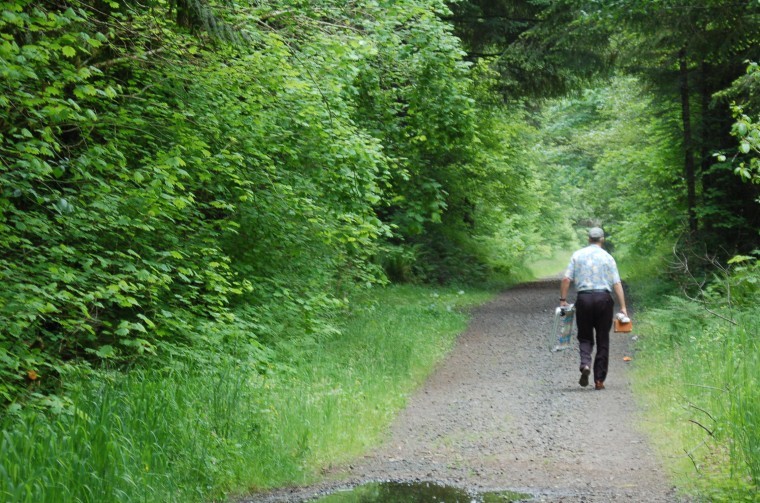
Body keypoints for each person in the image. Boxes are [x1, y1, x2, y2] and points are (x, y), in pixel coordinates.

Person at [559, 227, 628, 390]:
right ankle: (599, 380)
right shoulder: (608, 257)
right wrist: (623, 307)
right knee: (603, 338)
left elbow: (566, 279)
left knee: (584, 336)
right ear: (602, 239)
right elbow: (617, 283)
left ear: (589, 239)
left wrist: (563, 300)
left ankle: (585, 364)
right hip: (603, 299)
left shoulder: (578, 255)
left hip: (583, 299)